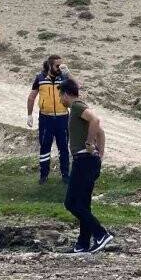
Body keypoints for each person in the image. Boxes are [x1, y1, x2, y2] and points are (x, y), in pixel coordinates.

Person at [59, 79, 113, 254]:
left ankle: (101, 234)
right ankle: (82, 245)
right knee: (83, 204)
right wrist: (101, 155)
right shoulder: (79, 108)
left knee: (71, 203)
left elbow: (96, 121)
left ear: (66, 94)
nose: (61, 99)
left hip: (83, 159)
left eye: (61, 95)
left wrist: (90, 142)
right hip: (90, 160)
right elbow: (102, 132)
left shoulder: (76, 107)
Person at [26, 54, 76, 185]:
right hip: (45, 119)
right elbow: (31, 97)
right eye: (57, 65)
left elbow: (77, 88)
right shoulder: (40, 78)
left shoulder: (64, 77)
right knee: (45, 147)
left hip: (62, 118)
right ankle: (43, 175)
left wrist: (68, 73)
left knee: (64, 147)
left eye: (61, 65)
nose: (60, 68)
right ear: (49, 65)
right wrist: (29, 114)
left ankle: (65, 175)